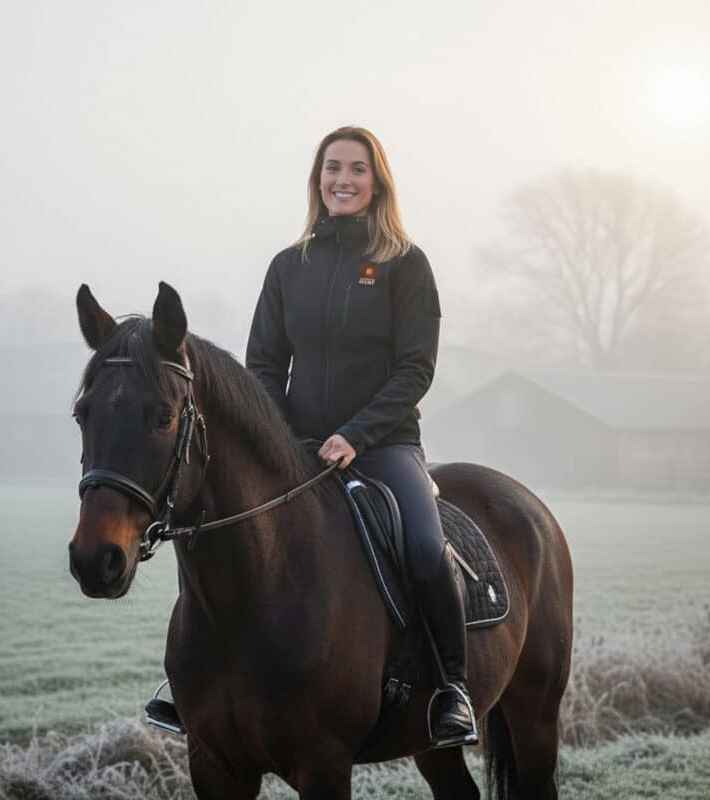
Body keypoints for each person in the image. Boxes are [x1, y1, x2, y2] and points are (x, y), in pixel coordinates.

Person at [245, 126, 478, 748]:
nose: (341, 180)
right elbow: (263, 366)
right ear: (316, 179)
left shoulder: (406, 264)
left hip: (384, 445)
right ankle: (196, 681)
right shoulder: (287, 266)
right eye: (331, 168)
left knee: (427, 551)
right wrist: (283, 438)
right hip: (296, 449)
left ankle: (452, 687)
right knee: (230, 531)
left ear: (378, 183)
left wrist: (355, 434)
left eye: (356, 169)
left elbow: (415, 370)